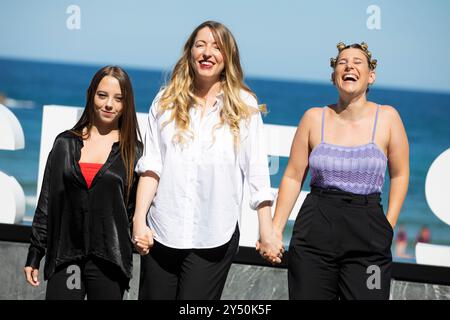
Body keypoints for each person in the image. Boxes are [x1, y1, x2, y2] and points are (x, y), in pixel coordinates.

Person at [132, 20, 279, 300]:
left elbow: (257, 172)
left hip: (215, 236)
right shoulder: (165, 102)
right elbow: (151, 166)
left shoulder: (245, 106)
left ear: (228, 57)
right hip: (162, 231)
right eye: (200, 45)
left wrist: (267, 230)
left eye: (216, 46)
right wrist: (139, 220)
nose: (207, 52)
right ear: (190, 52)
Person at [264, 42, 409, 299]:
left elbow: (399, 175)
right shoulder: (313, 118)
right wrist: (275, 229)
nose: (349, 66)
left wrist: (389, 224)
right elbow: (293, 176)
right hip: (315, 230)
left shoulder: (388, 118)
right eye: (342, 62)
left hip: (369, 234)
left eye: (357, 62)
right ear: (333, 76)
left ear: (370, 76)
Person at [24, 66, 142, 300]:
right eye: (102, 95)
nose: (109, 104)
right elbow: (47, 201)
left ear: (126, 104)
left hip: (109, 260)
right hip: (67, 258)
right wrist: (35, 253)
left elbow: (134, 212)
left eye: (118, 99)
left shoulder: (134, 152)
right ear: (91, 95)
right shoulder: (65, 144)